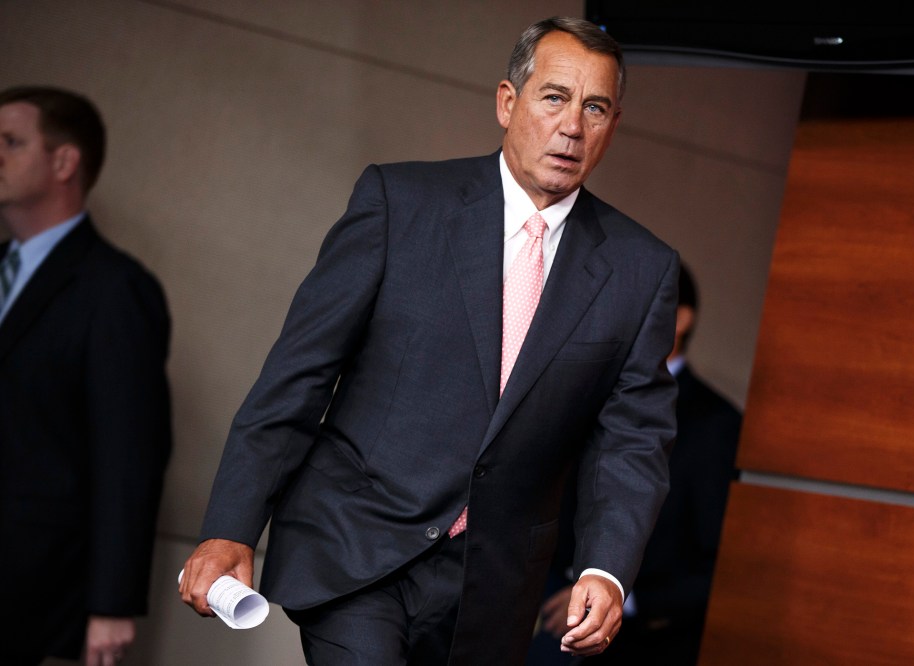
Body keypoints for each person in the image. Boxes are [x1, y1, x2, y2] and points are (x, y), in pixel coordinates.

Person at [180, 16, 680, 665]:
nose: (572, 126)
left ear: (613, 126)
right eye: (554, 97)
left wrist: (606, 570)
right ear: (509, 102)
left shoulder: (641, 270)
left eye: (596, 108)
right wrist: (230, 527)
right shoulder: (400, 202)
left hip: (493, 584)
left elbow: (633, 441)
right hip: (357, 551)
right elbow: (299, 375)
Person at [0, 86, 172, 666]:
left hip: (34, 591)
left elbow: (130, 454)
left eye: (10, 142)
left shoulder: (115, 290)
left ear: (64, 161)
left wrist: (111, 603)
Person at [529, 263, 742, 665]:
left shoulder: (715, 423)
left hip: (643, 640)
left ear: (681, 320)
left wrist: (620, 601)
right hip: (542, 602)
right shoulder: (592, 390)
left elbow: (716, 561)